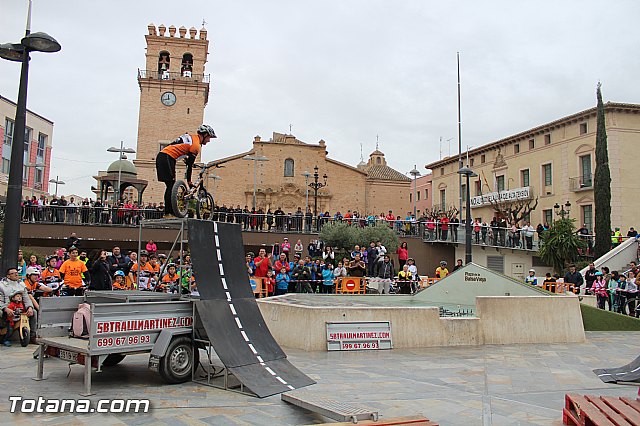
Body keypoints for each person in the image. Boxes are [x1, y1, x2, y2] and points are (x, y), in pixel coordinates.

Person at [155, 124, 216, 217]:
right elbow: (190, 166)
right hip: (167, 157)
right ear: (204, 135)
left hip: (163, 156)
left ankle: (169, 212)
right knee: (171, 186)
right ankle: (168, 213)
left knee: (170, 185)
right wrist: (189, 181)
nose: (209, 141)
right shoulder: (196, 145)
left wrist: (186, 158)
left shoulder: (191, 137)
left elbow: (179, 147)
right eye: (209, 138)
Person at [1, 268, 36, 344]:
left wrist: (30, 307)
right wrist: (5, 308)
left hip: (20, 307)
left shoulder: (21, 284)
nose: (16, 274)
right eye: (13, 273)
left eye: (17, 273)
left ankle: (32, 337)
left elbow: (26, 298)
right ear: (8, 276)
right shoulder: (2, 285)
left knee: (34, 312)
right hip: (7, 308)